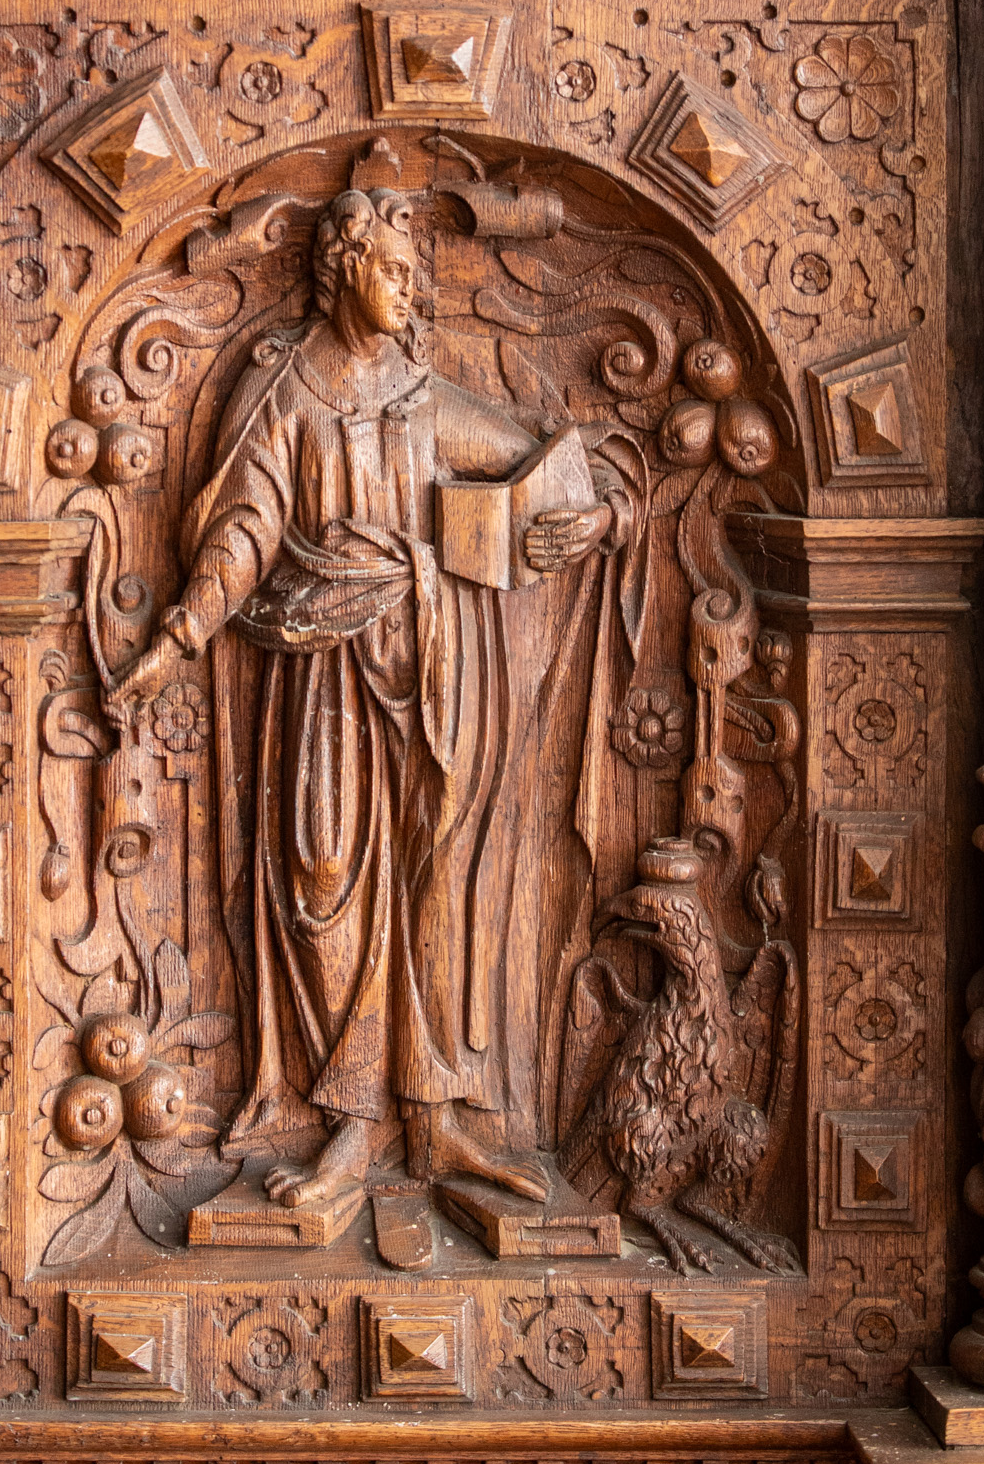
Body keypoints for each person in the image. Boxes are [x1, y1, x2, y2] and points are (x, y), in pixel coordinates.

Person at [105, 145, 640, 1206]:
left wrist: (587, 521)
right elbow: (244, 531)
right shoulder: (287, 389)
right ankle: (350, 1122)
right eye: (393, 269)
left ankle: (431, 1122)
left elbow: (556, 465)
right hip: (324, 675)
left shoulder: (420, 395)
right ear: (343, 267)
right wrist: (179, 636)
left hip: (437, 673)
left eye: (414, 273)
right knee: (323, 873)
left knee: (436, 879)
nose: (410, 288)